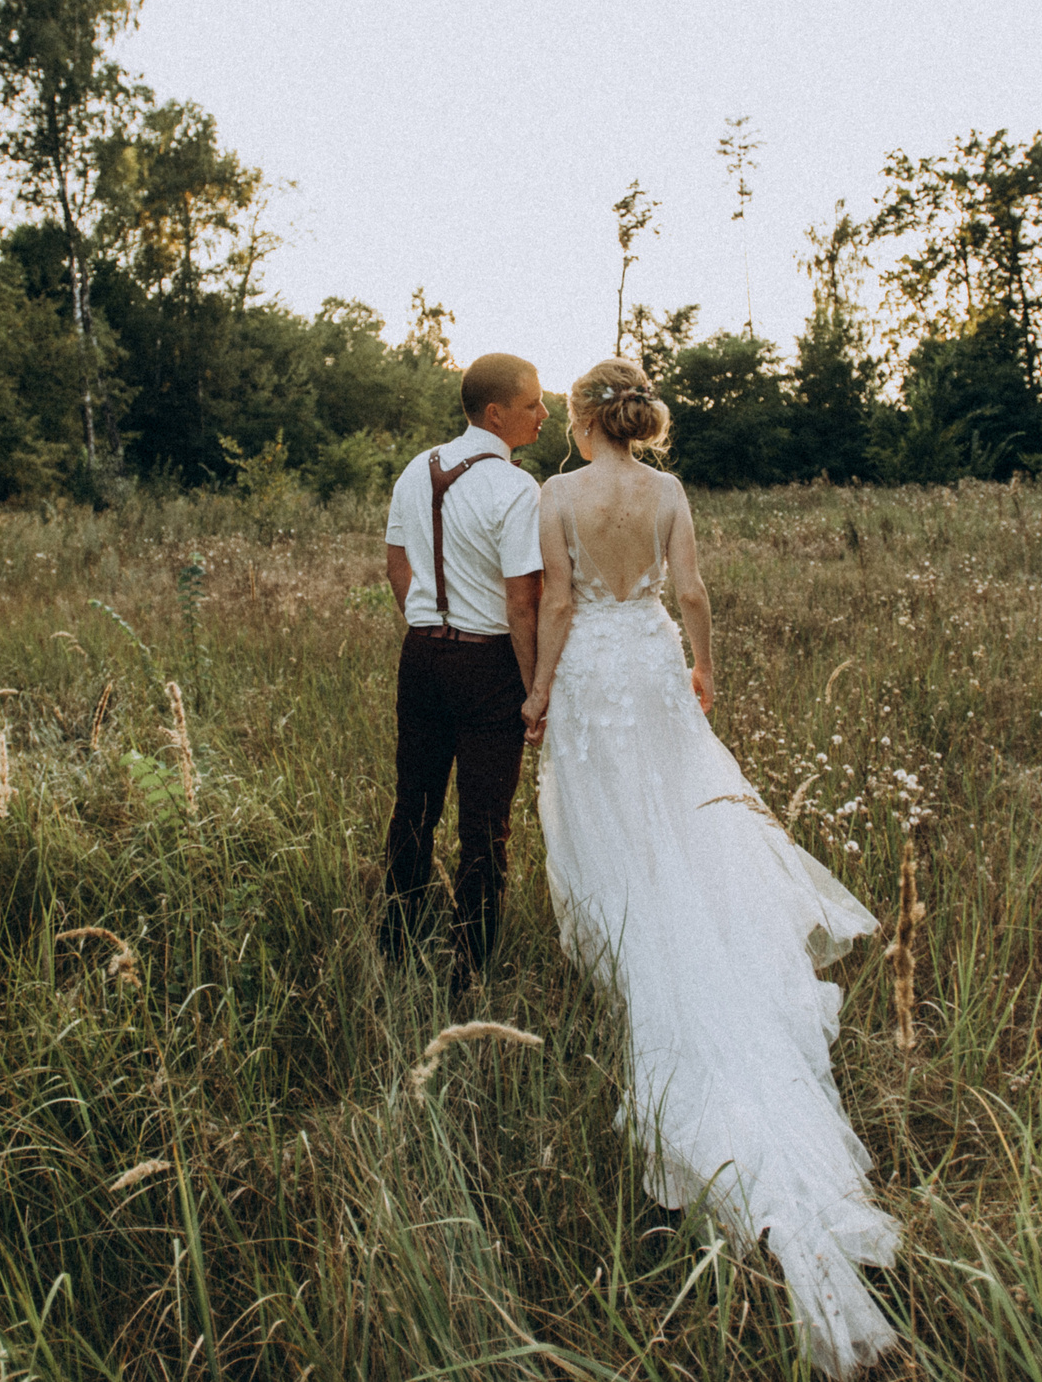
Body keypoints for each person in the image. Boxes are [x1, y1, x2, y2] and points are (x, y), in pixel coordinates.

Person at [520, 357, 903, 1379]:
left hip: (596, 672)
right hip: (649, 663)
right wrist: (704, 666)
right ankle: (692, 953)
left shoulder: (557, 494)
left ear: (579, 416)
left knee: (614, 837)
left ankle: (647, 969)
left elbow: (555, 602)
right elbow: (690, 589)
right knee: (681, 830)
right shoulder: (669, 492)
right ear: (634, 415)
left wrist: (539, 691)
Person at [380, 352, 549, 995]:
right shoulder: (516, 489)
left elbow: (397, 565)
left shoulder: (415, 469)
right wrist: (533, 689)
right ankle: (466, 975)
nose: (543, 413)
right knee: (485, 826)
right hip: (489, 666)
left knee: (413, 808)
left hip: (420, 657)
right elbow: (522, 598)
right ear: (496, 413)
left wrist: (425, 622)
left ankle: (394, 946)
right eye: (532, 403)